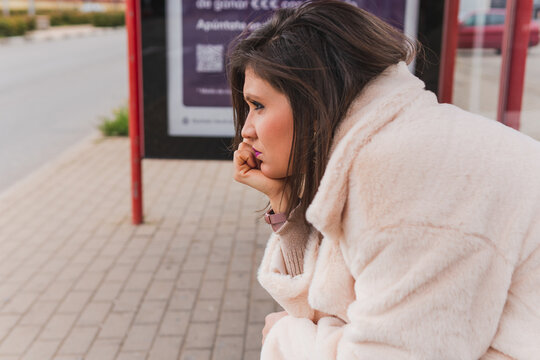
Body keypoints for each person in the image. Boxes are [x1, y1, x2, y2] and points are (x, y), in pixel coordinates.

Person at [228, 1, 540, 359]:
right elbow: (336, 302)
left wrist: (285, 339)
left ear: (312, 98)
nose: (246, 131)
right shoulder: (382, 145)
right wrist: (284, 202)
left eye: (258, 105)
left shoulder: (405, 172)